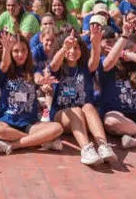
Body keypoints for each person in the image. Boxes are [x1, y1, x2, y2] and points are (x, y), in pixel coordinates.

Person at [48, 28, 113, 166]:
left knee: (88, 106)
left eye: (76, 48)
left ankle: (103, 146)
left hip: (84, 117)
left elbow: (94, 62)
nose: (72, 51)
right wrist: (64, 48)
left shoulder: (84, 68)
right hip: (62, 115)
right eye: (68, 48)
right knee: (76, 110)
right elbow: (53, 66)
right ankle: (86, 149)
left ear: (82, 50)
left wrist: (95, 44)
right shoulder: (60, 67)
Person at [0, 33, 64, 155]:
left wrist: (41, 80)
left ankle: (13, 145)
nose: (20, 54)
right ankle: (40, 140)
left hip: (29, 123)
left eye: (23, 50)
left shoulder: (33, 69)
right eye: (15, 51)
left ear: (28, 51)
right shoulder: (5, 70)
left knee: (57, 128)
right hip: (8, 121)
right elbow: (4, 64)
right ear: (10, 53)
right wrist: (6, 50)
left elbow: (37, 77)